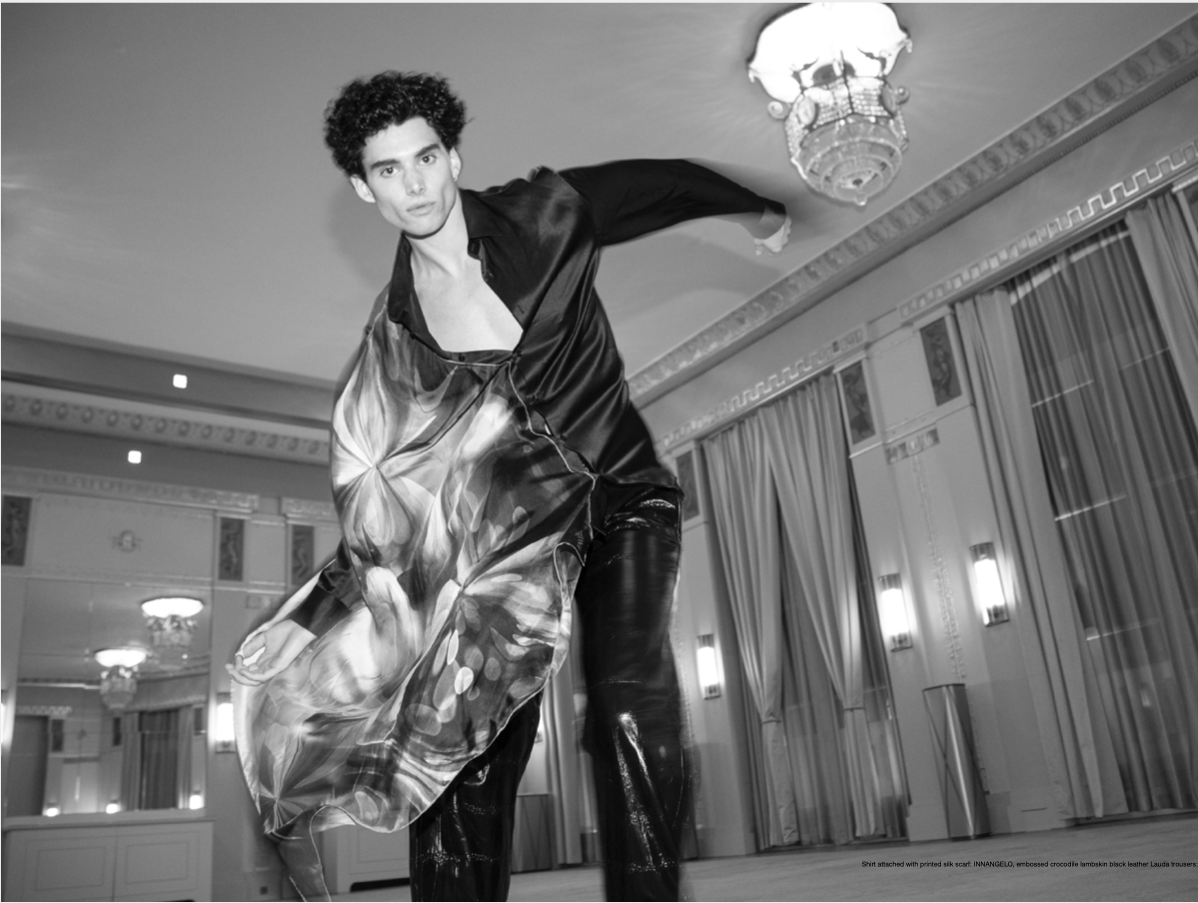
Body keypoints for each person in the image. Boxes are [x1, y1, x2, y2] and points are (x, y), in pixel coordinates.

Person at [228, 70, 789, 902]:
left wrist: (758, 209)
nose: (415, 185)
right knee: (458, 750)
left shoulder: (543, 217)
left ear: (453, 157)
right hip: (505, 548)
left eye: (425, 158)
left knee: (626, 700)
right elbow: (389, 516)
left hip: (620, 498)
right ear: (363, 187)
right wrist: (311, 618)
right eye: (388, 170)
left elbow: (662, 182)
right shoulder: (393, 345)